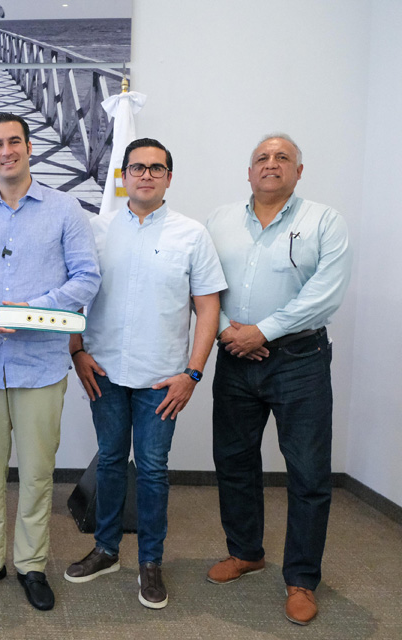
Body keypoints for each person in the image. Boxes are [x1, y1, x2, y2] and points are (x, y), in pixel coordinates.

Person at [0, 113, 101, 611]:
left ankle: (31, 564)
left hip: (41, 365)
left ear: (29, 147)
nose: (6, 150)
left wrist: (34, 311)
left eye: (15, 141)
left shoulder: (66, 209)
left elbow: (86, 277)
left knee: (37, 472)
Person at [62, 138, 226, 609]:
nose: (146, 175)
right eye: (137, 167)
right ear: (124, 176)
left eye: (157, 168)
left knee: (152, 471)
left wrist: (192, 375)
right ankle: (107, 550)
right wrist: (76, 350)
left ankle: (150, 562)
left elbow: (207, 307)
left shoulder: (191, 235)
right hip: (105, 371)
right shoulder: (97, 230)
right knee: (111, 462)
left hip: (163, 380)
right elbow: (76, 293)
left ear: (169, 178)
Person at [205, 134, 351, 625]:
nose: (271, 164)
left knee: (308, 472)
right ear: (249, 173)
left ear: (299, 171)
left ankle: (302, 579)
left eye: (282, 157)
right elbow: (201, 284)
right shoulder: (220, 221)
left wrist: (263, 331)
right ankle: (246, 552)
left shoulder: (325, 222)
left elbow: (324, 294)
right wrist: (228, 332)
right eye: (261, 158)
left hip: (299, 358)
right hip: (233, 355)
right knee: (234, 459)